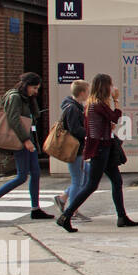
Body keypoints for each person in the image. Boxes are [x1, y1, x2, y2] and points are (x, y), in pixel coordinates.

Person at [57, 73, 138, 232]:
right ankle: (65, 216)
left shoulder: (94, 104)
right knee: (91, 185)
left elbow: (103, 123)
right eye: (110, 84)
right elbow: (115, 116)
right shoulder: (97, 105)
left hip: (104, 147)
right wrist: (116, 100)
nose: (112, 87)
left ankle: (122, 216)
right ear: (104, 87)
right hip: (100, 149)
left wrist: (108, 125)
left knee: (117, 181)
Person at [0, 72, 51, 221]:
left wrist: (33, 100)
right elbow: (13, 120)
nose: (36, 91)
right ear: (26, 85)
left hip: (27, 137)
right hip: (20, 139)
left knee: (36, 173)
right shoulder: (15, 97)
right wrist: (26, 140)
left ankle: (35, 208)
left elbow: (34, 115)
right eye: (34, 88)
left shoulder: (26, 98)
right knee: (21, 176)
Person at [53, 79, 92, 222]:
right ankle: (73, 211)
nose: (88, 94)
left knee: (88, 175)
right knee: (77, 180)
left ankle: (63, 198)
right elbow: (75, 129)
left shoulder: (76, 106)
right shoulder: (72, 108)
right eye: (87, 91)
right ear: (82, 93)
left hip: (78, 149)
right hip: (74, 150)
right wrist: (89, 132)